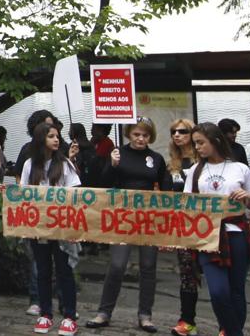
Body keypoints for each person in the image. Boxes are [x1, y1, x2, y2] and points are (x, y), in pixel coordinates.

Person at [86, 116, 170, 332]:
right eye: (136, 134)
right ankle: (104, 312)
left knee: (148, 267)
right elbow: (103, 184)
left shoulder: (156, 158)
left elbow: (166, 187)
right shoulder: (118, 154)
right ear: (129, 134)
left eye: (145, 135)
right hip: (122, 218)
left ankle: (145, 314)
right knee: (117, 265)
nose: (141, 139)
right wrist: (112, 166)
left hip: (148, 219)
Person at [186, 122, 250, 336]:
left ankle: (227, 331)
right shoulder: (195, 171)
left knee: (236, 291)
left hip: (237, 234)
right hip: (207, 235)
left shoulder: (240, 168)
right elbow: (186, 205)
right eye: (195, 144)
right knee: (218, 292)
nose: (197, 148)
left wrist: (247, 198)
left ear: (215, 141)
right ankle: (235, 332)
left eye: (201, 142)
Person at [20, 121, 80, 336]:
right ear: (40, 139)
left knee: (65, 272)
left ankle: (70, 316)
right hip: (39, 228)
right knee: (43, 271)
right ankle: (45, 313)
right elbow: (23, 195)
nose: (56, 140)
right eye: (51, 136)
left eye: (57, 136)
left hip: (62, 228)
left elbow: (75, 194)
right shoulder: (29, 165)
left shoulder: (64, 165)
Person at [168, 119, 201, 336]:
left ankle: (226, 324)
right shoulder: (172, 164)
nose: (177, 135)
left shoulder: (205, 161)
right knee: (187, 276)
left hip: (207, 225)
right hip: (183, 227)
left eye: (182, 131)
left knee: (217, 276)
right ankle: (187, 320)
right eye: (173, 132)